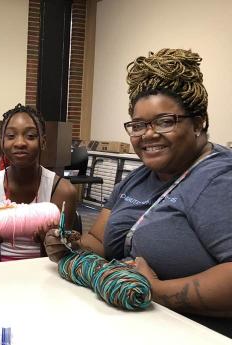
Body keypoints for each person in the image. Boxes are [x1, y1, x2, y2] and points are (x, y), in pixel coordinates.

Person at [45, 48, 232, 337]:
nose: (148, 135)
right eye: (138, 125)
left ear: (198, 123)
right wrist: (70, 244)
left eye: (165, 121)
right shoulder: (139, 177)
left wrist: (156, 291)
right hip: (128, 324)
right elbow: (100, 241)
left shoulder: (219, 179)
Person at [0, 104, 77, 263]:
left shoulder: (63, 191)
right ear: (2, 142)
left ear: (43, 142)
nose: (20, 143)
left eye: (30, 136)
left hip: (46, 276)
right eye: (10, 136)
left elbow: (63, 261)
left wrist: (46, 244)